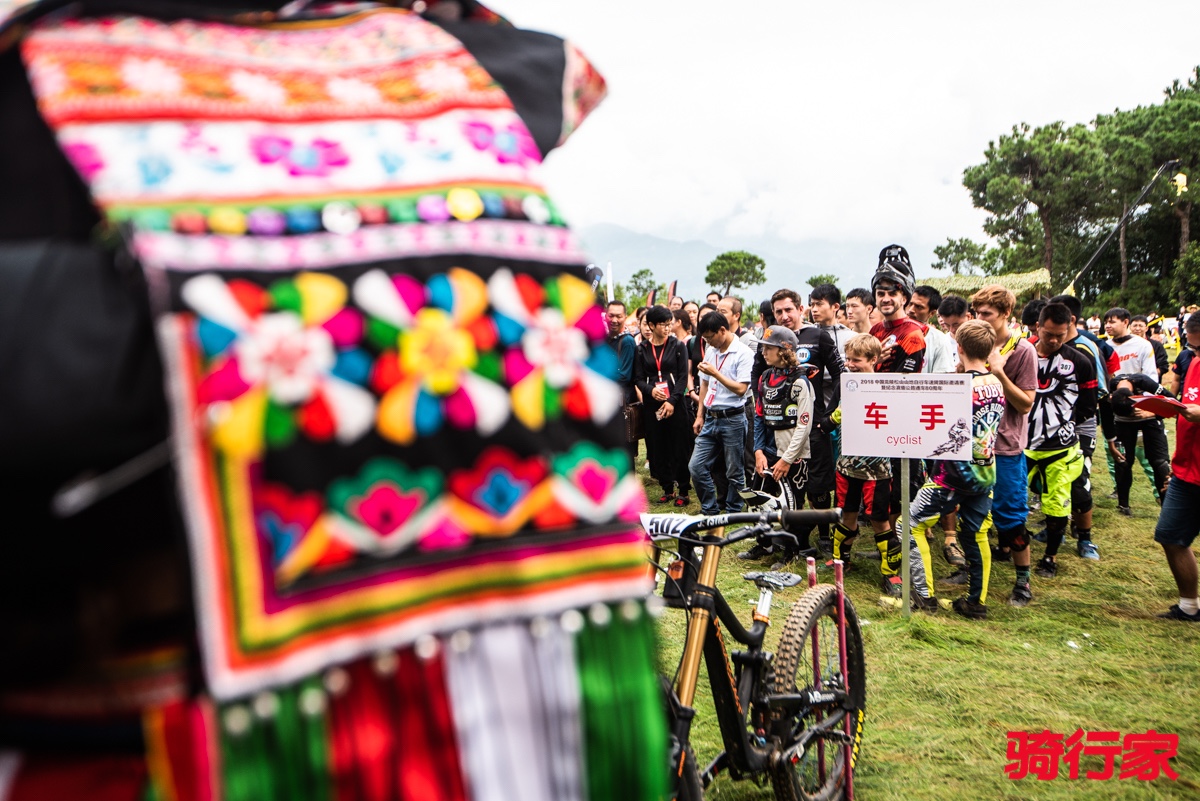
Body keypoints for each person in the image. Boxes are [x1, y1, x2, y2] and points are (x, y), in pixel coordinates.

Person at [908, 321, 1005, 619]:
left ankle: (924, 597)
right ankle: (976, 603)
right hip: (985, 471)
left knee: (910, 525)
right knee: (976, 534)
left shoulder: (957, 387)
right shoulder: (996, 382)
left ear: (959, 348)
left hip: (951, 475)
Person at [757, 288, 843, 552]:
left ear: (800, 309)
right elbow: (757, 376)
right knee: (783, 489)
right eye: (778, 311)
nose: (784, 315)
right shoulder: (769, 339)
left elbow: (840, 376)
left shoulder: (818, 336)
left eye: (788, 310)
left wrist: (828, 415)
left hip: (812, 425)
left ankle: (824, 536)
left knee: (819, 487)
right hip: (778, 427)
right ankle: (780, 540)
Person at [969, 285, 1038, 606]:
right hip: (972, 445)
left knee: (1010, 519)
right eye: (977, 312)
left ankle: (1023, 581)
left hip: (1006, 447)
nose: (980, 318)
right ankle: (974, 573)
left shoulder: (1022, 351)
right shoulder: (973, 343)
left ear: (1006, 313)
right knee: (972, 515)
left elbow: (1025, 404)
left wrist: (998, 372)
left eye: (987, 314)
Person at [1025, 303, 1098, 581]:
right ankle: (1009, 546)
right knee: (1014, 499)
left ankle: (1050, 558)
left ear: (1069, 328)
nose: (1054, 340)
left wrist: (1067, 425)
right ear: (1038, 327)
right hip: (1022, 445)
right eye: (1049, 334)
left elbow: (1089, 405)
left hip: (1060, 448)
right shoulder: (1021, 353)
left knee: (1058, 505)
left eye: (1060, 334)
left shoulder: (1080, 361)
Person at [741, 326, 815, 565]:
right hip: (768, 452)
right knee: (759, 499)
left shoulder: (801, 382)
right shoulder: (765, 378)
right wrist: (758, 451)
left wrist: (787, 459)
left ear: (785, 350)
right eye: (763, 348)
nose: (763, 352)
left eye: (768, 348)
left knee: (791, 506)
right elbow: (759, 417)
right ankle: (764, 544)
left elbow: (804, 426)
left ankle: (790, 552)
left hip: (793, 456)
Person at [828, 334, 898, 586]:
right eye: (848, 359)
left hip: (877, 469)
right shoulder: (844, 383)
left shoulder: (886, 386)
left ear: (873, 359)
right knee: (846, 514)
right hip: (846, 466)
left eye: (856, 360)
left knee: (879, 520)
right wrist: (834, 417)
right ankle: (841, 560)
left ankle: (891, 574)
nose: (850, 364)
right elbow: (827, 420)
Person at [1154, 312, 1200, 621]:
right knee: (1170, 535)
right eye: (1192, 346)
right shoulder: (1193, 363)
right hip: (1186, 471)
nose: (1194, 352)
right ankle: (1189, 606)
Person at [689, 311, 754, 515]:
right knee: (696, 466)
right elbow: (704, 383)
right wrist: (700, 415)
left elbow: (741, 389)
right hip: (711, 417)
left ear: (722, 330)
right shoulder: (711, 350)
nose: (708, 342)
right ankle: (709, 509)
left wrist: (716, 373)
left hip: (733, 418)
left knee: (735, 471)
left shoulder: (743, 353)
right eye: (705, 338)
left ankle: (734, 511)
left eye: (710, 337)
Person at [635, 306, 693, 506]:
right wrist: (650, 390)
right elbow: (638, 378)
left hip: (675, 404)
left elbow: (683, 377)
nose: (668, 328)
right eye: (663, 324)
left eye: (669, 324)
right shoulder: (641, 349)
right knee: (658, 446)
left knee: (679, 445)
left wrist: (672, 401)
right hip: (653, 405)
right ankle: (667, 488)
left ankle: (683, 490)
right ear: (651, 325)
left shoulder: (678, 346)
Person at [1108, 372, 1172, 516]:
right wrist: (1110, 441)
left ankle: (1167, 507)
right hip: (1122, 424)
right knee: (1123, 461)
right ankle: (1123, 505)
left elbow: (1173, 402)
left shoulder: (1145, 383)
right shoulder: (1109, 387)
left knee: (1160, 463)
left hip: (1150, 419)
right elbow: (1106, 416)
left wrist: (1152, 413)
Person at [809, 283, 852, 466]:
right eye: (812, 304)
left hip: (842, 411)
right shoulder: (807, 336)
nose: (814, 309)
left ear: (835, 307)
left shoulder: (851, 337)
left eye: (819, 304)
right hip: (814, 412)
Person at [909, 285, 956, 374]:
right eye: (910, 304)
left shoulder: (940, 340)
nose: (911, 310)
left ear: (932, 313)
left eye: (919, 307)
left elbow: (943, 378)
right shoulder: (891, 332)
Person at [1105, 307, 1157, 380]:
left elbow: (1151, 376)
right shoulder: (1105, 346)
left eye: (1112, 322)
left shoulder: (1143, 345)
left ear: (1125, 322)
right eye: (1105, 323)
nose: (1107, 326)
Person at [1131, 314, 1170, 380]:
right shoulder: (1125, 346)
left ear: (1146, 328)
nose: (1137, 328)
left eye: (1140, 326)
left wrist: (1148, 377)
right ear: (1130, 327)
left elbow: (1163, 366)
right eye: (1135, 326)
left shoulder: (1156, 345)